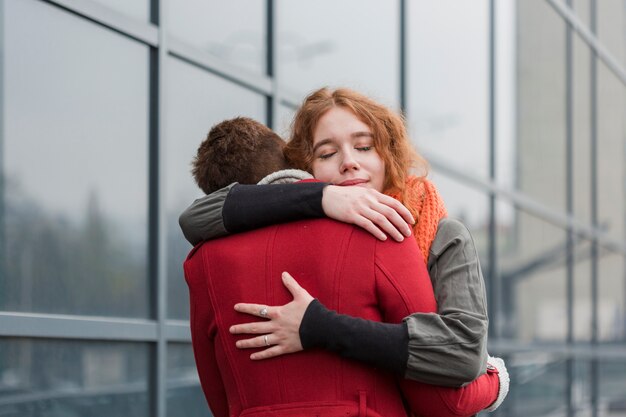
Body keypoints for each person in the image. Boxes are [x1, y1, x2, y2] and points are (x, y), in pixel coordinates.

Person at [182, 114, 509, 414]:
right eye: (326, 154)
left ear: (389, 156)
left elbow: (219, 398)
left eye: (364, 146)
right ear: (304, 165)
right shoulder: (383, 234)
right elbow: (441, 401)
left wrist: (320, 327)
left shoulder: (203, 261)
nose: (350, 163)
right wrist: (497, 380)